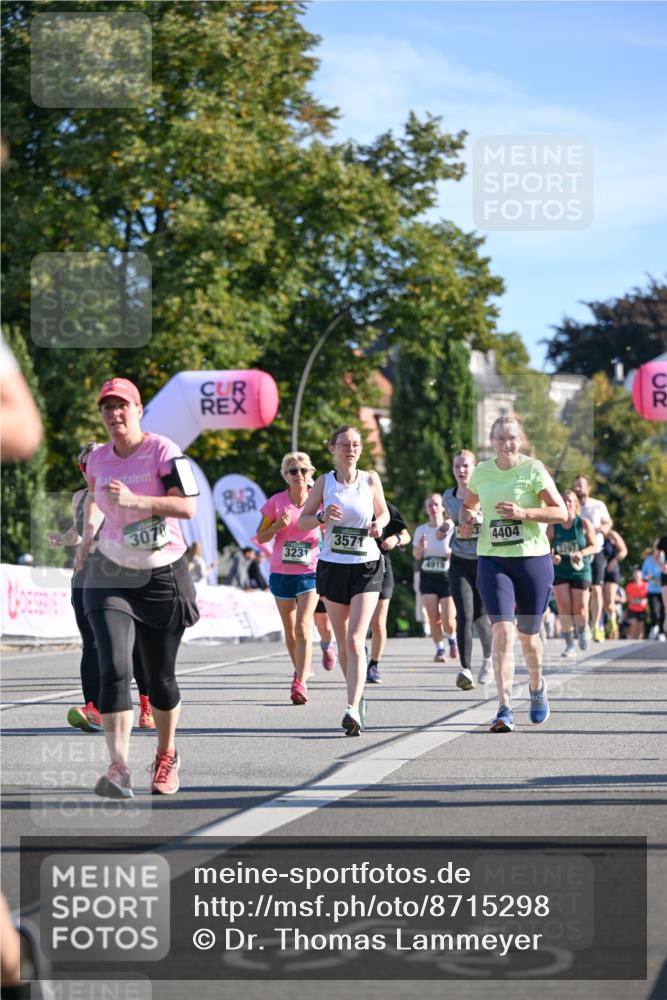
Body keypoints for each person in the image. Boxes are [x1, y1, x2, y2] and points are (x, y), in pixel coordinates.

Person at [74, 377, 199, 798]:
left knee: (159, 680)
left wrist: (136, 501)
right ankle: (119, 767)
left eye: (121, 406)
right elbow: (94, 498)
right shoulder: (98, 460)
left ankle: (166, 755)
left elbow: (187, 505)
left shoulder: (163, 451)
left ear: (139, 409)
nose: (114, 414)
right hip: (110, 573)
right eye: (106, 408)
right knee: (114, 668)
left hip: (161, 573)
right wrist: (88, 535)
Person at [460, 415, 567, 733]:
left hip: (532, 560)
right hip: (493, 559)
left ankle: (536, 686)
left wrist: (524, 513)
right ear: (491, 442)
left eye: (513, 437)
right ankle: (504, 707)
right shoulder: (481, 472)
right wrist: (468, 519)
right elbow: (468, 507)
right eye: (501, 438)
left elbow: (561, 512)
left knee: (529, 638)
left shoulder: (533, 469)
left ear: (520, 440)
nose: (508, 443)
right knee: (503, 633)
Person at [48, 443, 155, 732]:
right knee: (91, 644)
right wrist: (63, 538)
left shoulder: (123, 493)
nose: (89, 470)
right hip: (85, 577)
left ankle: (147, 705)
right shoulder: (79, 498)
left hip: (121, 577)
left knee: (133, 646)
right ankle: (93, 708)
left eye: (95, 462)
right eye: (84, 465)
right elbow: (77, 532)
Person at [298, 425, 389, 736]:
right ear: (333, 449)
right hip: (333, 566)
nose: (351, 449)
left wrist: (379, 525)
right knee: (342, 643)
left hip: (367, 565)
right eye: (345, 444)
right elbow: (302, 521)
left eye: (356, 444)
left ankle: (351, 707)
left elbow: (385, 514)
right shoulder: (324, 483)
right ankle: (358, 696)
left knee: (354, 639)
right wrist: (322, 517)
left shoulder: (370, 479)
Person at [256, 452, 322, 705]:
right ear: (285, 476)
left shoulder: (319, 502)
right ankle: (301, 668)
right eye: (293, 471)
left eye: (303, 470)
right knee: (291, 630)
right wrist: (277, 526)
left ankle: (300, 681)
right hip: (282, 572)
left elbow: (331, 531)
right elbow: (261, 537)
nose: (299, 475)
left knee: (303, 626)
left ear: (311, 474)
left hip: (310, 572)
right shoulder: (275, 503)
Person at [440, 449, 493, 689]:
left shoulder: (485, 492)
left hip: (483, 560)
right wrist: (445, 526)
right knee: (464, 613)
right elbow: (451, 518)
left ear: (474, 469)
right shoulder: (448, 496)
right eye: (457, 467)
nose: (461, 471)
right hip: (459, 559)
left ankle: (489, 659)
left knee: (481, 614)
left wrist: (477, 520)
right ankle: (465, 669)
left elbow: (493, 523)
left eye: (465, 466)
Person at [547, 489, 596, 657]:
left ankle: (583, 629)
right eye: (564, 500)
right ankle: (569, 645)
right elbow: (547, 548)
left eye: (570, 501)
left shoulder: (583, 524)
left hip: (581, 570)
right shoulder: (553, 526)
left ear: (575, 505)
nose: (567, 503)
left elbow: (594, 546)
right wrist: (553, 557)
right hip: (560, 569)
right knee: (564, 607)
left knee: (580, 608)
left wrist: (581, 553)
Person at [366, 501, 411, 684]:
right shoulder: (350, 503)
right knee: (355, 622)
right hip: (353, 569)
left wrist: (396, 539)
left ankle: (374, 665)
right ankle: (359, 650)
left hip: (381, 568)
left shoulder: (386, 508)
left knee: (378, 623)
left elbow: (406, 535)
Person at [413, 494, 457, 665]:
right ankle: (440, 648)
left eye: (436, 505)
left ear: (443, 508)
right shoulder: (421, 530)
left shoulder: (451, 529)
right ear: (426, 509)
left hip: (447, 577)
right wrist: (421, 549)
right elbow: (416, 555)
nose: (433, 508)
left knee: (448, 619)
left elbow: (459, 549)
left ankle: (452, 638)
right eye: (430, 505)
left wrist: (451, 554)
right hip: (428, 576)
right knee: (433, 617)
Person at [573, 474, 611, 642]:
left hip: (596, 550)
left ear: (589, 487)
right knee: (582, 592)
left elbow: (608, 522)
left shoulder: (598, 505)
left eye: (581, 485)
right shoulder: (572, 506)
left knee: (596, 589)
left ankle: (597, 626)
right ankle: (584, 625)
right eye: (576, 486)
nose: (578, 488)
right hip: (577, 553)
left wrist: (603, 528)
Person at [601, 521, 628, 639]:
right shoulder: (592, 533)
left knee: (610, 603)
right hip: (599, 571)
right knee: (600, 602)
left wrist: (615, 560)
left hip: (611, 570)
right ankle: (600, 628)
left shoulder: (612, 535)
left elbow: (624, 551)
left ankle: (613, 624)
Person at [642, 542, 666, 640]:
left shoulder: (664, 560)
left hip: (664, 590)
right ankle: (654, 627)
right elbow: (643, 574)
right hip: (652, 590)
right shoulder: (648, 560)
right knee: (654, 611)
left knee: (663, 611)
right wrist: (648, 577)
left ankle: (661, 631)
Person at [625, 567, 648, 640]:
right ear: (634, 577)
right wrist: (634, 601)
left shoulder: (646, 585)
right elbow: (628, 598)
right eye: (636, 576)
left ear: (641, 576)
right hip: (632, 609)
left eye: (639, 576)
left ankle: (638, 642)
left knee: (640, 628)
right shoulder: (629, 586)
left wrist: (645, 600)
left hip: (642, 609)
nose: (637, 577)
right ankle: (633, 640)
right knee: (633, 625)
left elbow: (648, 597)